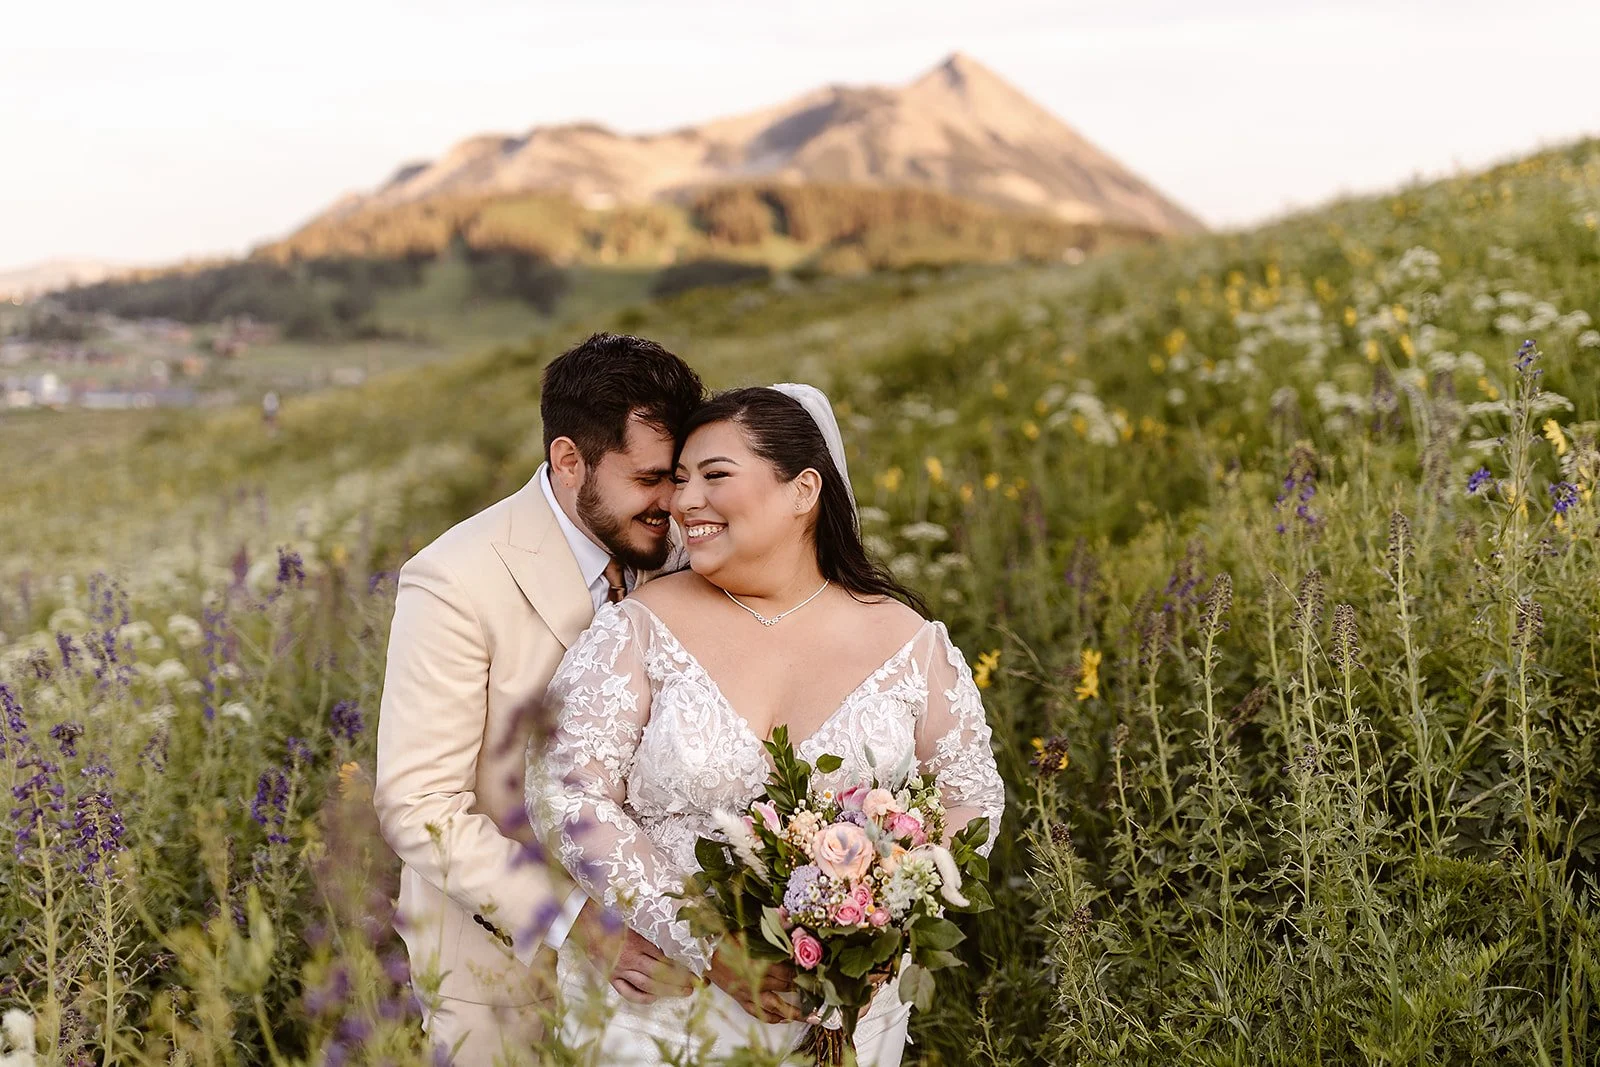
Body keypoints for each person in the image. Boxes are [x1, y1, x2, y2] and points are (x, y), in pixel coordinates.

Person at [528, 384, 1005, 1065]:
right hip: (661, 1008)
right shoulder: (637, 628)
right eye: (680, 479)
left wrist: (885, 920)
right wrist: (707, 946)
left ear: (803, 489)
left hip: (848, 1014)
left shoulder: (910, 641)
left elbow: (970, 799)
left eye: (714, 476)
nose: (684, 501)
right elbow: (565, 792)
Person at [374, 333, 706, 1064]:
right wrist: (580, 923)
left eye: (677, 477)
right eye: (651, 478)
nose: (673, 503)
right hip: (499, 969)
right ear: (568, 459)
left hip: (668, 982)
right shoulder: (454, 579)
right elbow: (419, 805)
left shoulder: (681, 548)